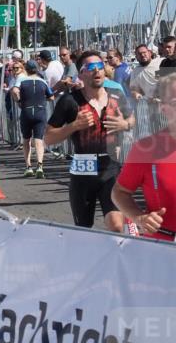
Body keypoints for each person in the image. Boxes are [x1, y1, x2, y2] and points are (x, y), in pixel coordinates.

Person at [46, 51, 135, 233]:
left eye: (100, 66)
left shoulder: (116, 95)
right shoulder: (69, 101)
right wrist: (73, 126)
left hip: (110, 166)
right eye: (91, 68)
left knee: (116, 225)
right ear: (81, 74)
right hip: (83, 168)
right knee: (84, 230)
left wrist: (125, 124)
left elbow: (132, 119)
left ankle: (114, 260)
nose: (97, 71)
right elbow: (48, 137)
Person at [111, 72, 176, 241]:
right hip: (162, 248)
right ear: (163, 107)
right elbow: (120, 192)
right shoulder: (145, 150)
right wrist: (139, 218)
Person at [11, 60, 54, 178]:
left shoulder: (22, 80)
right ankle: (40, 166)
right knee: (39, 140)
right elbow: (52, 97)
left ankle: (28, 167)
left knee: (26, 140)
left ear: (27, 69)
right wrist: (44, 99)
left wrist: (18, 101)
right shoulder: (43, 82)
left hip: (27, 111)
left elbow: (14, 91)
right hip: (40, 111)